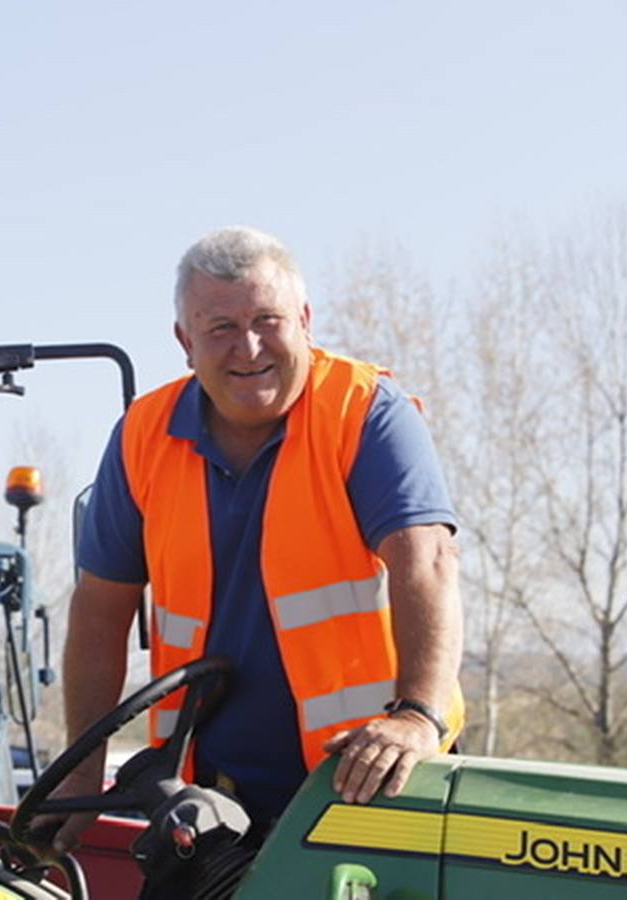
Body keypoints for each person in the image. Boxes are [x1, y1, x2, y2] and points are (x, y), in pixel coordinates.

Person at [50, 225, 464, 852]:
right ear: (185, 343)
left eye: (267, 321)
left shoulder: (364, 412)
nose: (248, 347)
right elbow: (100, 612)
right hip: (212, 803)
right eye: (220, 328)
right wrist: (81, 769)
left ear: (304, 320)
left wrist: (416, 716)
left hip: (368, 785)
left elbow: (426, 560)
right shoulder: (143, 436)